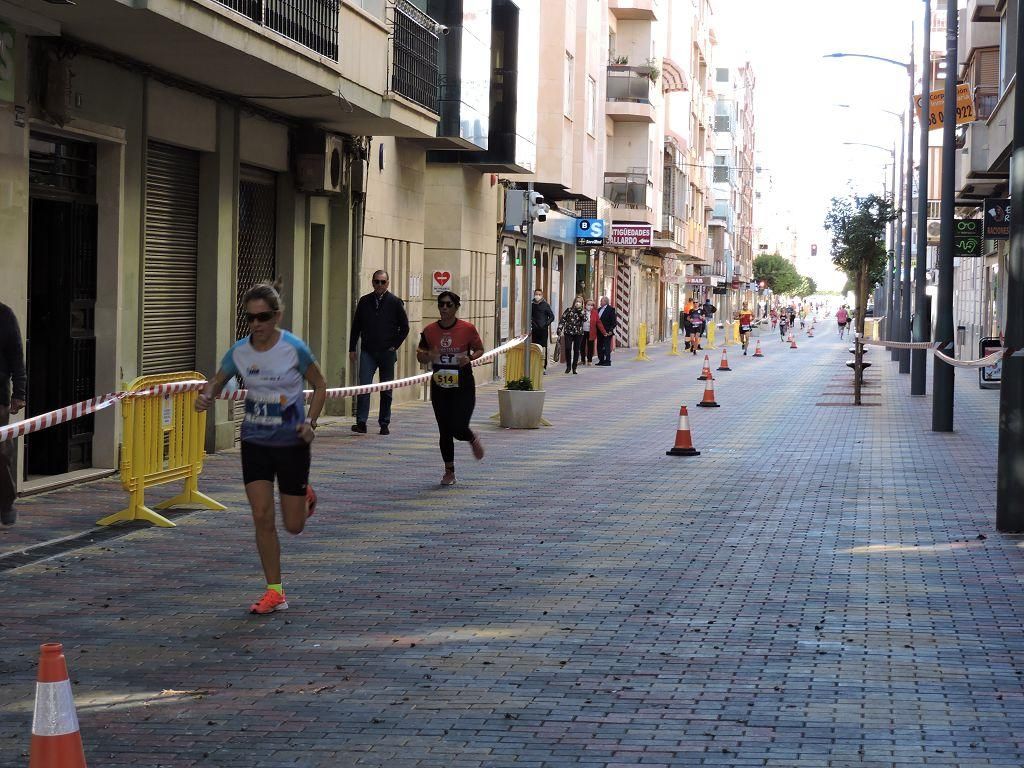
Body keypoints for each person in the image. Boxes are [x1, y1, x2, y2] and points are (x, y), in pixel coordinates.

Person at [196, 282, 327, 615]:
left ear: (277, 316)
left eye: (263, 317)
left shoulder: (294, 348)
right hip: (255, 440)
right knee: (261, 516)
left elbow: (321, 385)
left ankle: (305, 494)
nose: (256, 324)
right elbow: (217, 379)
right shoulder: (240, 351)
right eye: (250, 318)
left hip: (291, 443)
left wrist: (310, 423)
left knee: (293, 526)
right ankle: (275, 591)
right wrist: (206, 395)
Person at [417, 291, 485, 486]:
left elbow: (480, 349)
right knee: (444, 429)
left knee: (458, 426)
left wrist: (470, 358)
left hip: (463, 383)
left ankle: (470, 437)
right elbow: (420, 355)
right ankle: (449, 471)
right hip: (440, 383)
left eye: (448, 305)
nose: (444, 308)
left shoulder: (467, 329)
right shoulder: (429, 330)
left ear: (456, 307)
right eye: (441, 305)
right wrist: (429, 355)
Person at [349, 270, 410, 435]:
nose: (379, 285)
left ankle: (384, 423)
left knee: (386, 389)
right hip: (368, 351)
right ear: (372, 282)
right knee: (364, 387)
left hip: (387, 352)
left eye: (383, 282)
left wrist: (394, 346)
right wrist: (352, 348)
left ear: (388, 283)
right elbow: (356, 327)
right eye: (377, 281)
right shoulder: (364, 301)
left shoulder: (395, 302)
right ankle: (361, 422)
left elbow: (405, 327)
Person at [0, 302, 26, 526]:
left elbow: (17, 357)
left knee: (1, 453)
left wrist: (19, 393)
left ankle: (6, 502)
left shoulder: (4, 315)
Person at [557, 297, 586, 374]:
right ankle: (568, 366)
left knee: (576, 350)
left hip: (578, 333)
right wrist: (559, 328)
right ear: (574, 302)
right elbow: (563, 319)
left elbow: (585, 319)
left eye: (579, 302)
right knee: (568, 348)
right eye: (577, 301)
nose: (578, 303)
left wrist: (580, 311)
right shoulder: (569, 310)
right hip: (568, 332)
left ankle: (574, 367)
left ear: (582, 304)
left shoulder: (582, 311)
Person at [530, 290, 556, 370]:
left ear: (542, 295)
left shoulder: (545, 305)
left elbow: (552, 317)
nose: (537, 296)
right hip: (534, 329)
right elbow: (529, 316)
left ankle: (543, 366)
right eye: (536, 294)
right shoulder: (532, 305)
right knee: (535, 347)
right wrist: (532, 322)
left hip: (543, 330)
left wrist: (546, 324)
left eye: (539, 294)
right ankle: (535, 365)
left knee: (543, 347)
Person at [596, 296, 617, 366]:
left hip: (607, 331)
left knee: (606, 346)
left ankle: (608, 361)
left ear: (605, 302)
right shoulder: (598, 310)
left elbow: (614, 322)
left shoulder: (611, 309)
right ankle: (601, 360)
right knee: (599, 346)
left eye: (601, 301)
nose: (600, 302)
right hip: (599, 331)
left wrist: (610, 330)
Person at [583, 299, 604, 366]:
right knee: (582, 346)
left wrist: (604, 331)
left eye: (592, 305)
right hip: (582, 331)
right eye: (588, 304)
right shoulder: (582, 311)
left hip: (591, 332)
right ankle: (583, 360)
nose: (590, 306)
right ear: (585, 305)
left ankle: (589, 360)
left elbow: (598, 322)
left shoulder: (595, 312)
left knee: (590, 346)